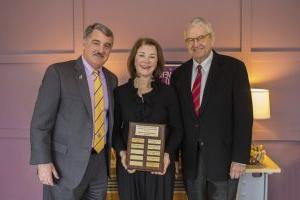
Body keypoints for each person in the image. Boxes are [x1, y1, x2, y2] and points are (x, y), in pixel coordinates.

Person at [30, 22, 118, 200]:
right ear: (84, 42)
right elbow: (40, 123)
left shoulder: (111, 79)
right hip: (65, 167)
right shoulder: (59, 72)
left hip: (99, 165)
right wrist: (43, 161)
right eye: (96, 42)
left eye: (107, 45)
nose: (101, 49)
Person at [171, 17, 253, 200]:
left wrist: (239, 158)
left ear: (211, 38)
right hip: (191, 161)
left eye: (201, 37)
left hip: (223, 161)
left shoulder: (234, 69)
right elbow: (176, 120)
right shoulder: (179, 75)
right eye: (190, 40)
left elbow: (244, 117)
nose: (196, 43)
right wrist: (175, 156)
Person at [112, 37, 182, 200]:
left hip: (160, 168)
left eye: (152, 56)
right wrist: (122, 154)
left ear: (157, 62)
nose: (146, 61)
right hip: (129, 168)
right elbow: (115, 131)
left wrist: (167, 155)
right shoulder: (120, 93)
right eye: (142, 55)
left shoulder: (169, 92)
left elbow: (178, 129)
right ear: (134, 59)